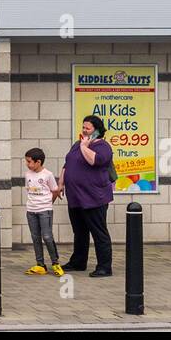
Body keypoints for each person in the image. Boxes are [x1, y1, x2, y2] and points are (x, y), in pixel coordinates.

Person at [58, 115, 115, 277]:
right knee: (79, 231)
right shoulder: (77, 145)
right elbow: (67, 164)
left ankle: (104, 266)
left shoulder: (103, 146)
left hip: (94, 198)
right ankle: (78, 262)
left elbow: (94, 161)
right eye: (83, 127)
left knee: (98, 232)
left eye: (87, 128)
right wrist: (61, 183)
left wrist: (84, 146)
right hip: (75, 197)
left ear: (97, 130)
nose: (84, 130)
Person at [23, 147, 64, 276]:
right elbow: (28, 190)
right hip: (31, 210)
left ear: (38, 162)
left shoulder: (48, 175)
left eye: (29, 162)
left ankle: (55, 263)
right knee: (35, 238)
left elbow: (55, 191)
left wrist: (48, 204)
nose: (27, 164)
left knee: (47, 236)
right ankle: (40, 264)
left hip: (44, 211)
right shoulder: (28, 174)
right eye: (27, 161)